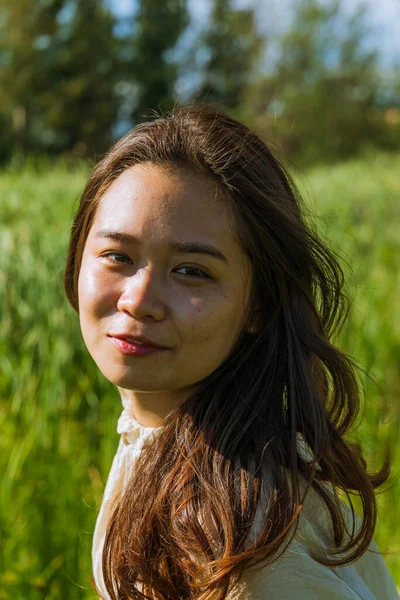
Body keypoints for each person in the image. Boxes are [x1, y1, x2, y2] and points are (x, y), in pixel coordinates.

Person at [63, 105, 399, 600]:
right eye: (118, 256)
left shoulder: (239, 539)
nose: (138, 299)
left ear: (258, 305)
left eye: (192, 271)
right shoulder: (163, 440)